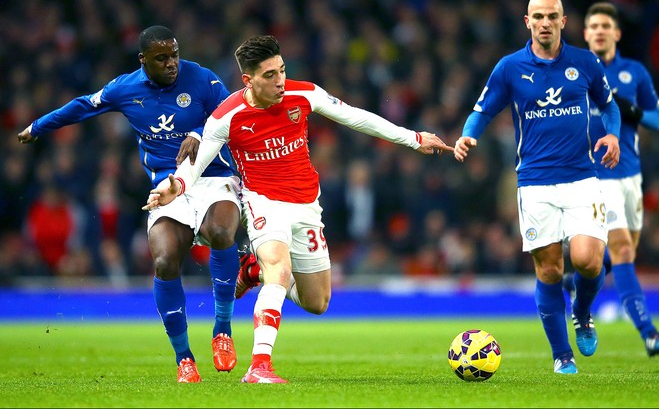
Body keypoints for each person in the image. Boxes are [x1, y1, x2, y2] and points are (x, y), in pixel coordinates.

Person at [143, 34, 454, 383]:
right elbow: (196, 162)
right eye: (270, 75)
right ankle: (260, 366)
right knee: (278, 266)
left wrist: (412, 138)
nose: (280, 81)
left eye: (282, 70)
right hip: (263, 202)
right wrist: (176, 186)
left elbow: (355, 116)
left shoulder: (302, 93)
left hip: (306, 204)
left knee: (317, 302)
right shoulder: (227, 116)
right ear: (248, 80)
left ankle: (253, 271)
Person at [18, 26, 245, 383]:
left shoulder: (201, 77)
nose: (172, 63)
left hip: (213, 176)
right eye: (162, 58)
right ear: (143, 61)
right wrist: (38, 126)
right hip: (167, 187)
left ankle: (223, 331)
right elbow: (83, 106)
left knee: (220, 231)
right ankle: (184, 358)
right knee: (164, 260)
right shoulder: (125, 89)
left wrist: (199, 133)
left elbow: (232, 112)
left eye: (174, 54)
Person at [453, 0, 621, 374]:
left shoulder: (585, 63)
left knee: (588, 261)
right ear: (526, 22)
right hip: (535, 182)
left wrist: (611, 134)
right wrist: (467, 134)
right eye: (538, 17)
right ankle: (562, 356)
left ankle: (581, 312)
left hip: (581, 177)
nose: (545, 22)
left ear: (564, 21)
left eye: (552, 16)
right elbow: (483, 108)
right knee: (548, 270)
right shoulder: (510, 68)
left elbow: (609, 105)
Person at [561, 2, 659, 357]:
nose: (598, 31)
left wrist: (633, 110)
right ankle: (649, 333)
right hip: (596, 176)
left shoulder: (634, 72)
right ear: (585, 34)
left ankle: (578, 283)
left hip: (631, 177)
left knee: (622, 251)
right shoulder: (574, 70)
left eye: (604, 26)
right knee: (623, 249)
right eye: (592, 25)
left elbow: (658, 121)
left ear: (616, 33)